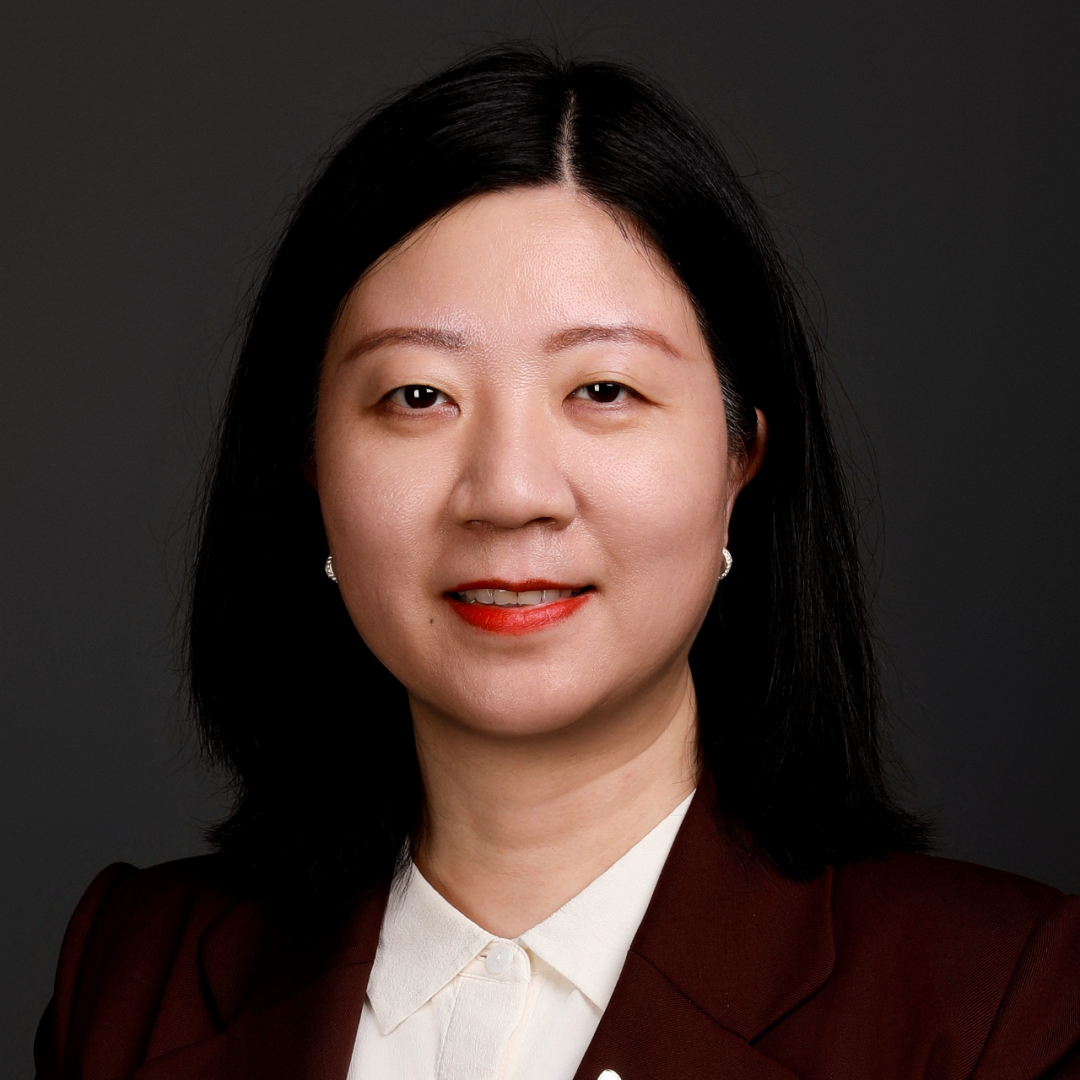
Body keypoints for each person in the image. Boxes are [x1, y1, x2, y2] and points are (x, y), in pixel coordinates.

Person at [35, 46, 1080, 1080]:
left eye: (603, 390)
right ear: (309, 462)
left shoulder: (1001, 1006)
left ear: (741, 457)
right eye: (418, 396)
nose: (509, 492)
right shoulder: (130, 975)